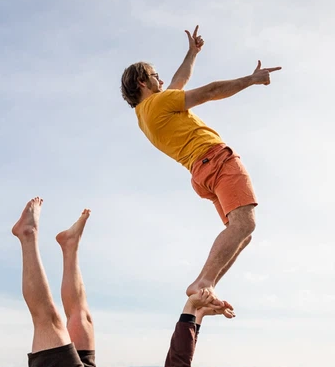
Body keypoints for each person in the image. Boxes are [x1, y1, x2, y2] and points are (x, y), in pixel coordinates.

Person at [12, 197, 242, 367]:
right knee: (83, 320)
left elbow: (179, 366)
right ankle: (70, 246)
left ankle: (28, 234)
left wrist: (190, 309)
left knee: (51, 320)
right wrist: (201, 314)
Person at [120, 26, 281, 301]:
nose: (161, 79)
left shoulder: (145, 114)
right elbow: (211, 90)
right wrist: (252, 79)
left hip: (200, 173)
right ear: (142, 83)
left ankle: (206, 289)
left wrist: (192, 53)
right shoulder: (159, 103)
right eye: (154, 75)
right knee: (245, 226)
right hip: (216, 160)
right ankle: (204, 281)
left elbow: (177, 82)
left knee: (241, 232)